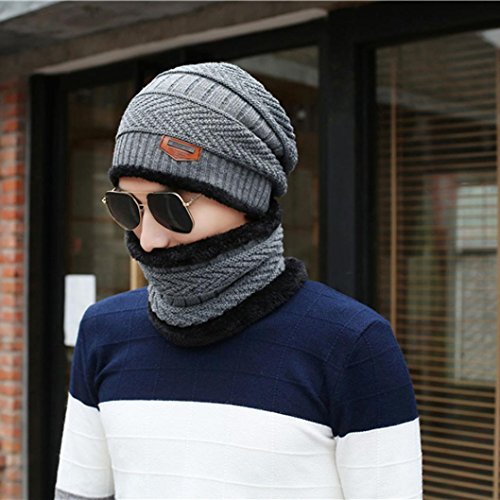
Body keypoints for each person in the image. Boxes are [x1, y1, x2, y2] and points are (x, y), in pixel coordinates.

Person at [54, 62, 422, 500]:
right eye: (127, 207)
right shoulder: (104, 332)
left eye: (171, 207)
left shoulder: (352, 345)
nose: (148, 239)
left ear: (245, 197)